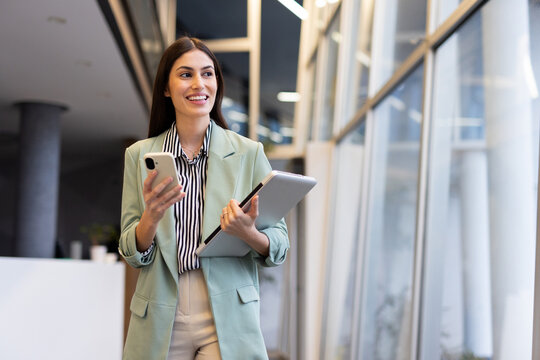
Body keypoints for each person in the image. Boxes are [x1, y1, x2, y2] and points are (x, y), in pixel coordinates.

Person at [118, 36, 289, 360]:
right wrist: (150, 219)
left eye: (207, 73)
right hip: (161, 310)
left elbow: (279, 244)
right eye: (186, 74)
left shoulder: (248, 153)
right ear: (166, 88)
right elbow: (131, 250)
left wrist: (247, 233)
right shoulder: (139, 155)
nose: (199, 83)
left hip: (226, 311)